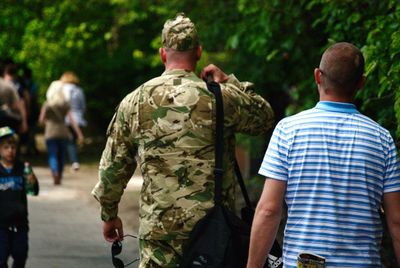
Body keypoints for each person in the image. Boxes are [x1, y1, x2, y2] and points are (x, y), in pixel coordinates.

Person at [92, 13, 275, 267]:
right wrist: (230, 81)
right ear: (198, 52)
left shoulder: (135, 101)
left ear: (162, 54)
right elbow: (264, 117)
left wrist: (109, 214)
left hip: (160, 235)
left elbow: (113, 167)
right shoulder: (221, 97)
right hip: (214, 235)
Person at [247, 42, 400, 267]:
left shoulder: (288, 131)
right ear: (361, 83)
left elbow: (269, 210)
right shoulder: (382, 139)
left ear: (317, 76)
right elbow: (396, 221)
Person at [0, 126, 39, 268]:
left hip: (20, 224)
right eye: (5, 147)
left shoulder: (22, 168)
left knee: (20, 256)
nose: (10, 150)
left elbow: (33, 191)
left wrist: (31, 179)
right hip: (1, 225)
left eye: (12, 147)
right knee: (1, 259)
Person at [39, 80, 84, 185]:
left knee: (52, 155)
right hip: (63, 132)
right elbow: (72, 120)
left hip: (50, 132)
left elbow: (41, 120)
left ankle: (54, 172)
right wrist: (79, 134)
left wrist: (47, 122)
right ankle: (59, 175)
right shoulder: (65, 104)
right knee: (61, 156)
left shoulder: (47, 104)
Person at [59, 71, 86, 171]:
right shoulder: (79, 90)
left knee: (67, 140)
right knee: (72, 140)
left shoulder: (61, 90)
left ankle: (71, 161)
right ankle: (73, 161)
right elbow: (83, 106)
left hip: (65, 118)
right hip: (77, 118)